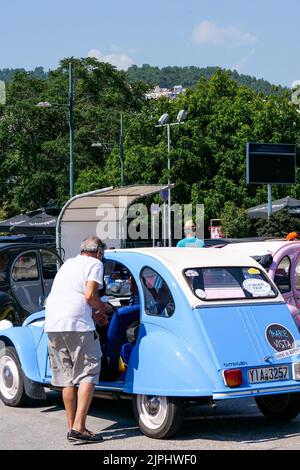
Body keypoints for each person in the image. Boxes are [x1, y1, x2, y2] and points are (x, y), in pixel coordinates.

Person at [44, 236, 110, 443]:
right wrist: (104, 309)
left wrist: (92, 312)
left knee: (67, 379)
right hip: (77, 327)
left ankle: (71, 428)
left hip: (53, 324)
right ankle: (80, 427)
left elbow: (70, 297)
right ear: (99, 252)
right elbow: (90, 296)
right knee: (88, 371)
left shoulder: (67, 265)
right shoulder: (95, 263)